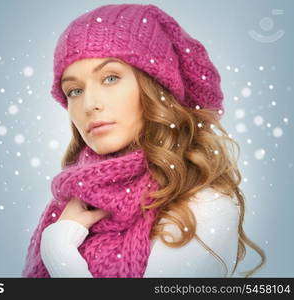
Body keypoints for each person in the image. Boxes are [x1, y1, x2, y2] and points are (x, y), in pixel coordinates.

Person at [22, 3, 265, 278]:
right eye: (75, 90)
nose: (89, 104)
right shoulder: (73, 204)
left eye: (111, 78)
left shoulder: (202, 207)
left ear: (154, 86)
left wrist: (60, 254)